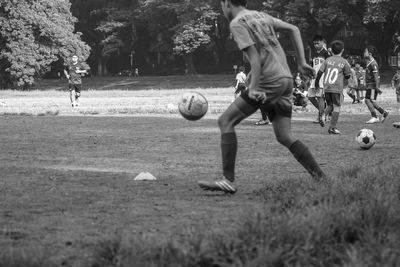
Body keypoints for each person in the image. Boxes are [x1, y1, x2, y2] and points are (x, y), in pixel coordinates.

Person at [198, 0, 326, 194]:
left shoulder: (237, 23)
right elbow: (294, 29)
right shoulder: (261, 16)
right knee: (284, 136)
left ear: (226, 3)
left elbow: (255, 57)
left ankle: (228, 180)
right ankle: (322, 179)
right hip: (286, 79)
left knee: (226, 121)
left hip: (269, 81)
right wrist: (300, 62)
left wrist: (255, 87)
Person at [315, 40, 351, 134]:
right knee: (337, 107)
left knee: (330, 105)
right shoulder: (344, 62)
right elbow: (348, 76)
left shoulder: (327, 60)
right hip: (336, 88)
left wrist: (316, 83)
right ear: (342, 50)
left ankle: (323, 115)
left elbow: (319, 73)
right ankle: (332, 127)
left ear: (331, 50)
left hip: (327, 88)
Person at [308, 35, 331, 126]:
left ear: (322, 42)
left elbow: (330, 66)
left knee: (320, 97)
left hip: (322, 79)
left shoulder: (326, 53)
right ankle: (324, 112)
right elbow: (311, 66)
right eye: (314, 43)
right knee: (310, 97)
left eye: (318, 43)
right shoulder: (313, 53)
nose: (316, 45)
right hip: (314, 78)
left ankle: (321, 115)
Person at [363, 45, 389, 124]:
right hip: (370, 85)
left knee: (368, 100)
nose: (364, 53)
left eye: (365, 51)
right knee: (371, 101)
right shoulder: (369, 62)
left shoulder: (373, 64)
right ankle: (383, 113)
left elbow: (376, 76)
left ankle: (374, 117)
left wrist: (377, 87)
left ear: (370, 54)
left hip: (372, 86)